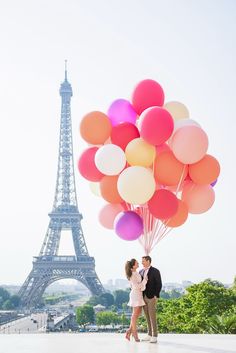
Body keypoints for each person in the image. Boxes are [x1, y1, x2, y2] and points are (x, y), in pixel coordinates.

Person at [140, 255, 162, 343]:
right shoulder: (140, 271)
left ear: (148, 261)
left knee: (152, 316)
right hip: (143, 296)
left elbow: (159, 284)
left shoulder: (155, 271)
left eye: (143, 261)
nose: (142, 263)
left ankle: (155, 335)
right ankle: (149, 334)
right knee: (147, 316)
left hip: (152, 297)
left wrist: (156, 295)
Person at [125, 258, 148, 342]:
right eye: (137, 263)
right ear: (133, 265)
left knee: (136, 314)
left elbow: (139, 286)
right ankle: (135, 334)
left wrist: (142, 284)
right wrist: (145, 280)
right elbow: (136, 286)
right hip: (136, 295)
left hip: (138, 294)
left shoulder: (135, 273)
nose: (138, 264)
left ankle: (129, 331)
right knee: (135, 315)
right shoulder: (132, 274)